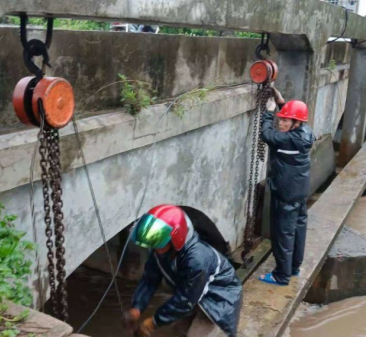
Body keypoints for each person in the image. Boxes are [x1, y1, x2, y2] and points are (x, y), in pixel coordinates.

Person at [123, 204, 242, 337]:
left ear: (176, 237)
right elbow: (149, 279)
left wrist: (153, 323)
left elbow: (185, 299)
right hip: (196, 293)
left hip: (218, 298)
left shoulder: (197, 259)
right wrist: (137, 307)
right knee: (179, 331)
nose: (155, 248)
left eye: (159, 242)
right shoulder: (160, 251)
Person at [258, 87, 315, 286]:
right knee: (298, 229)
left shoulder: (287, 139)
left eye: (285, 121)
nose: (281, 123)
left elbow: (266, 134)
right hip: (299, 192)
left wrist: (269, 111)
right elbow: (291, 116)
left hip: (285, 192)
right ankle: (293, 267)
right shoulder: (305, 132)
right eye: (280, 119)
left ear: (296, 123)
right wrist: (280, 100)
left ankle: (281, 276)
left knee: (283, 233)